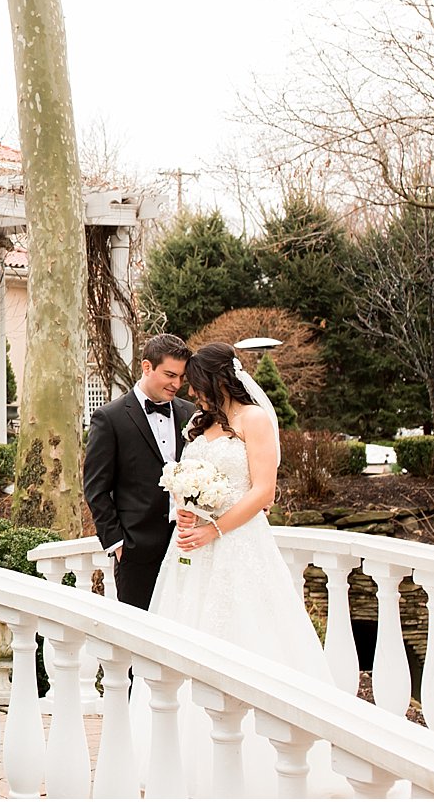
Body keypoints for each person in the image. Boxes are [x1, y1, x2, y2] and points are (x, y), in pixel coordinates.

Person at [134, 341, 344, 796]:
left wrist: (216, 529)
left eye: (195, 382)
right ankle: (180, 761)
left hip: (239, 547)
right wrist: (185, 509)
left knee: (247, 637)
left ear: (215, 379)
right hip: (190, 551)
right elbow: (183, 480)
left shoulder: (255, 420)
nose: (190, 390)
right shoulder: (197, 423)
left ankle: (258, 765)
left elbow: (263, 492)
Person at [82, 333, 196, 609]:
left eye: (181, 377)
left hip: (188, 546)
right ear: (147, 367)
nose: (177, 384)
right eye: (170, 374)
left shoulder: (190, 413)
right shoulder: (110, 418)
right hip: (136, 552)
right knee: (140, 638)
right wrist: (119, 544)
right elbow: (96, 488)